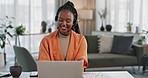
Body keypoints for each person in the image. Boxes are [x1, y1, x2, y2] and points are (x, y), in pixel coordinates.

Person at [38, 1, 88, 69]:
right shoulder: (46, 41)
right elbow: (43, 66)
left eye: (68, 21)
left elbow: (80, 64)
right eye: (61, 20)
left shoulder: (81, 40)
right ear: (57, 19)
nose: (64, 24)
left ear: (74, 22)